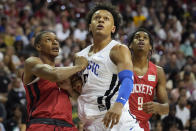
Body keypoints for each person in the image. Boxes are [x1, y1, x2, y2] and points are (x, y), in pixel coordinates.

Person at [76, 3, 143, 131]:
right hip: (92, 124)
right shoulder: (80, 56)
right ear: (90, 27)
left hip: (117, 119)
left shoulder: (118, 49)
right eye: (97, 18)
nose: (101, 20)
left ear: (113, 28)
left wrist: (119, 105)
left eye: (106, 18)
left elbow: (128, 80)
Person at [23, 30, 88, 131]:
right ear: (38, 46)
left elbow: (77, 98)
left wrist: (70, 89)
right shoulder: (31, 63)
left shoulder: (64, 72)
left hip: (68, 126)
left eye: (56, 40)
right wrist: (79, 66)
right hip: (42, 124)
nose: (55, 42)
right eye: (48, 39)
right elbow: (54, 74)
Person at [127, 28, 169, 131]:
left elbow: (166, 108)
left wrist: (158, 107)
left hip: (143, 126)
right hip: (122, 123)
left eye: (145, 38)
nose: (141, 39)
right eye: (137, 37)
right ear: (131, 45)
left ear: (150, 46)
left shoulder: (158, 72)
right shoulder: (122, 67)